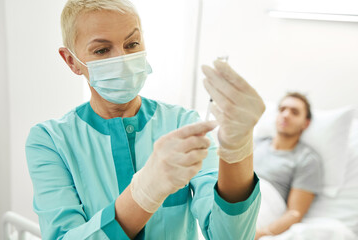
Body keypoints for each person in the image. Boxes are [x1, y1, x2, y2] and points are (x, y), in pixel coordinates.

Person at [25, 0, 266, 239]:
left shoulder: (184, 124)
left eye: (132, 44)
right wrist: (145, 191)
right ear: (71, 61)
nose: (123, 59)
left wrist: (238, 149)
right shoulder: (50, 141)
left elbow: (230, 236)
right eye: (102, 50)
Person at [253, 92, 323, 239]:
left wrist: (259, 234)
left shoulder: (307, 159)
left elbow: (294, 213)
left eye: (294, 112)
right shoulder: (256, 144)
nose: (285, 115)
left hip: (264, 205)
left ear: (306, 123)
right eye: (282, 109)